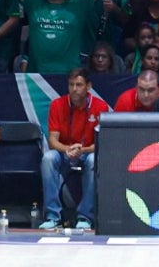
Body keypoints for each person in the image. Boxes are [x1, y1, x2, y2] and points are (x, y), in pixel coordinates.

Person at [40, 67, 110, 231]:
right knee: (48, 158)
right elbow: (52, 141)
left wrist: (82, 150)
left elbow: (101, 144)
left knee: (94, 160)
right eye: (71, 85)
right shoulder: (58, 104)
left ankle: (85, 216)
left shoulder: (100, 106)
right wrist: (67, 149)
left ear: (88, 86)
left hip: (87, 153)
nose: (74, 89)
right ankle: (52, 216)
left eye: (79, 85)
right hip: (64, 152)